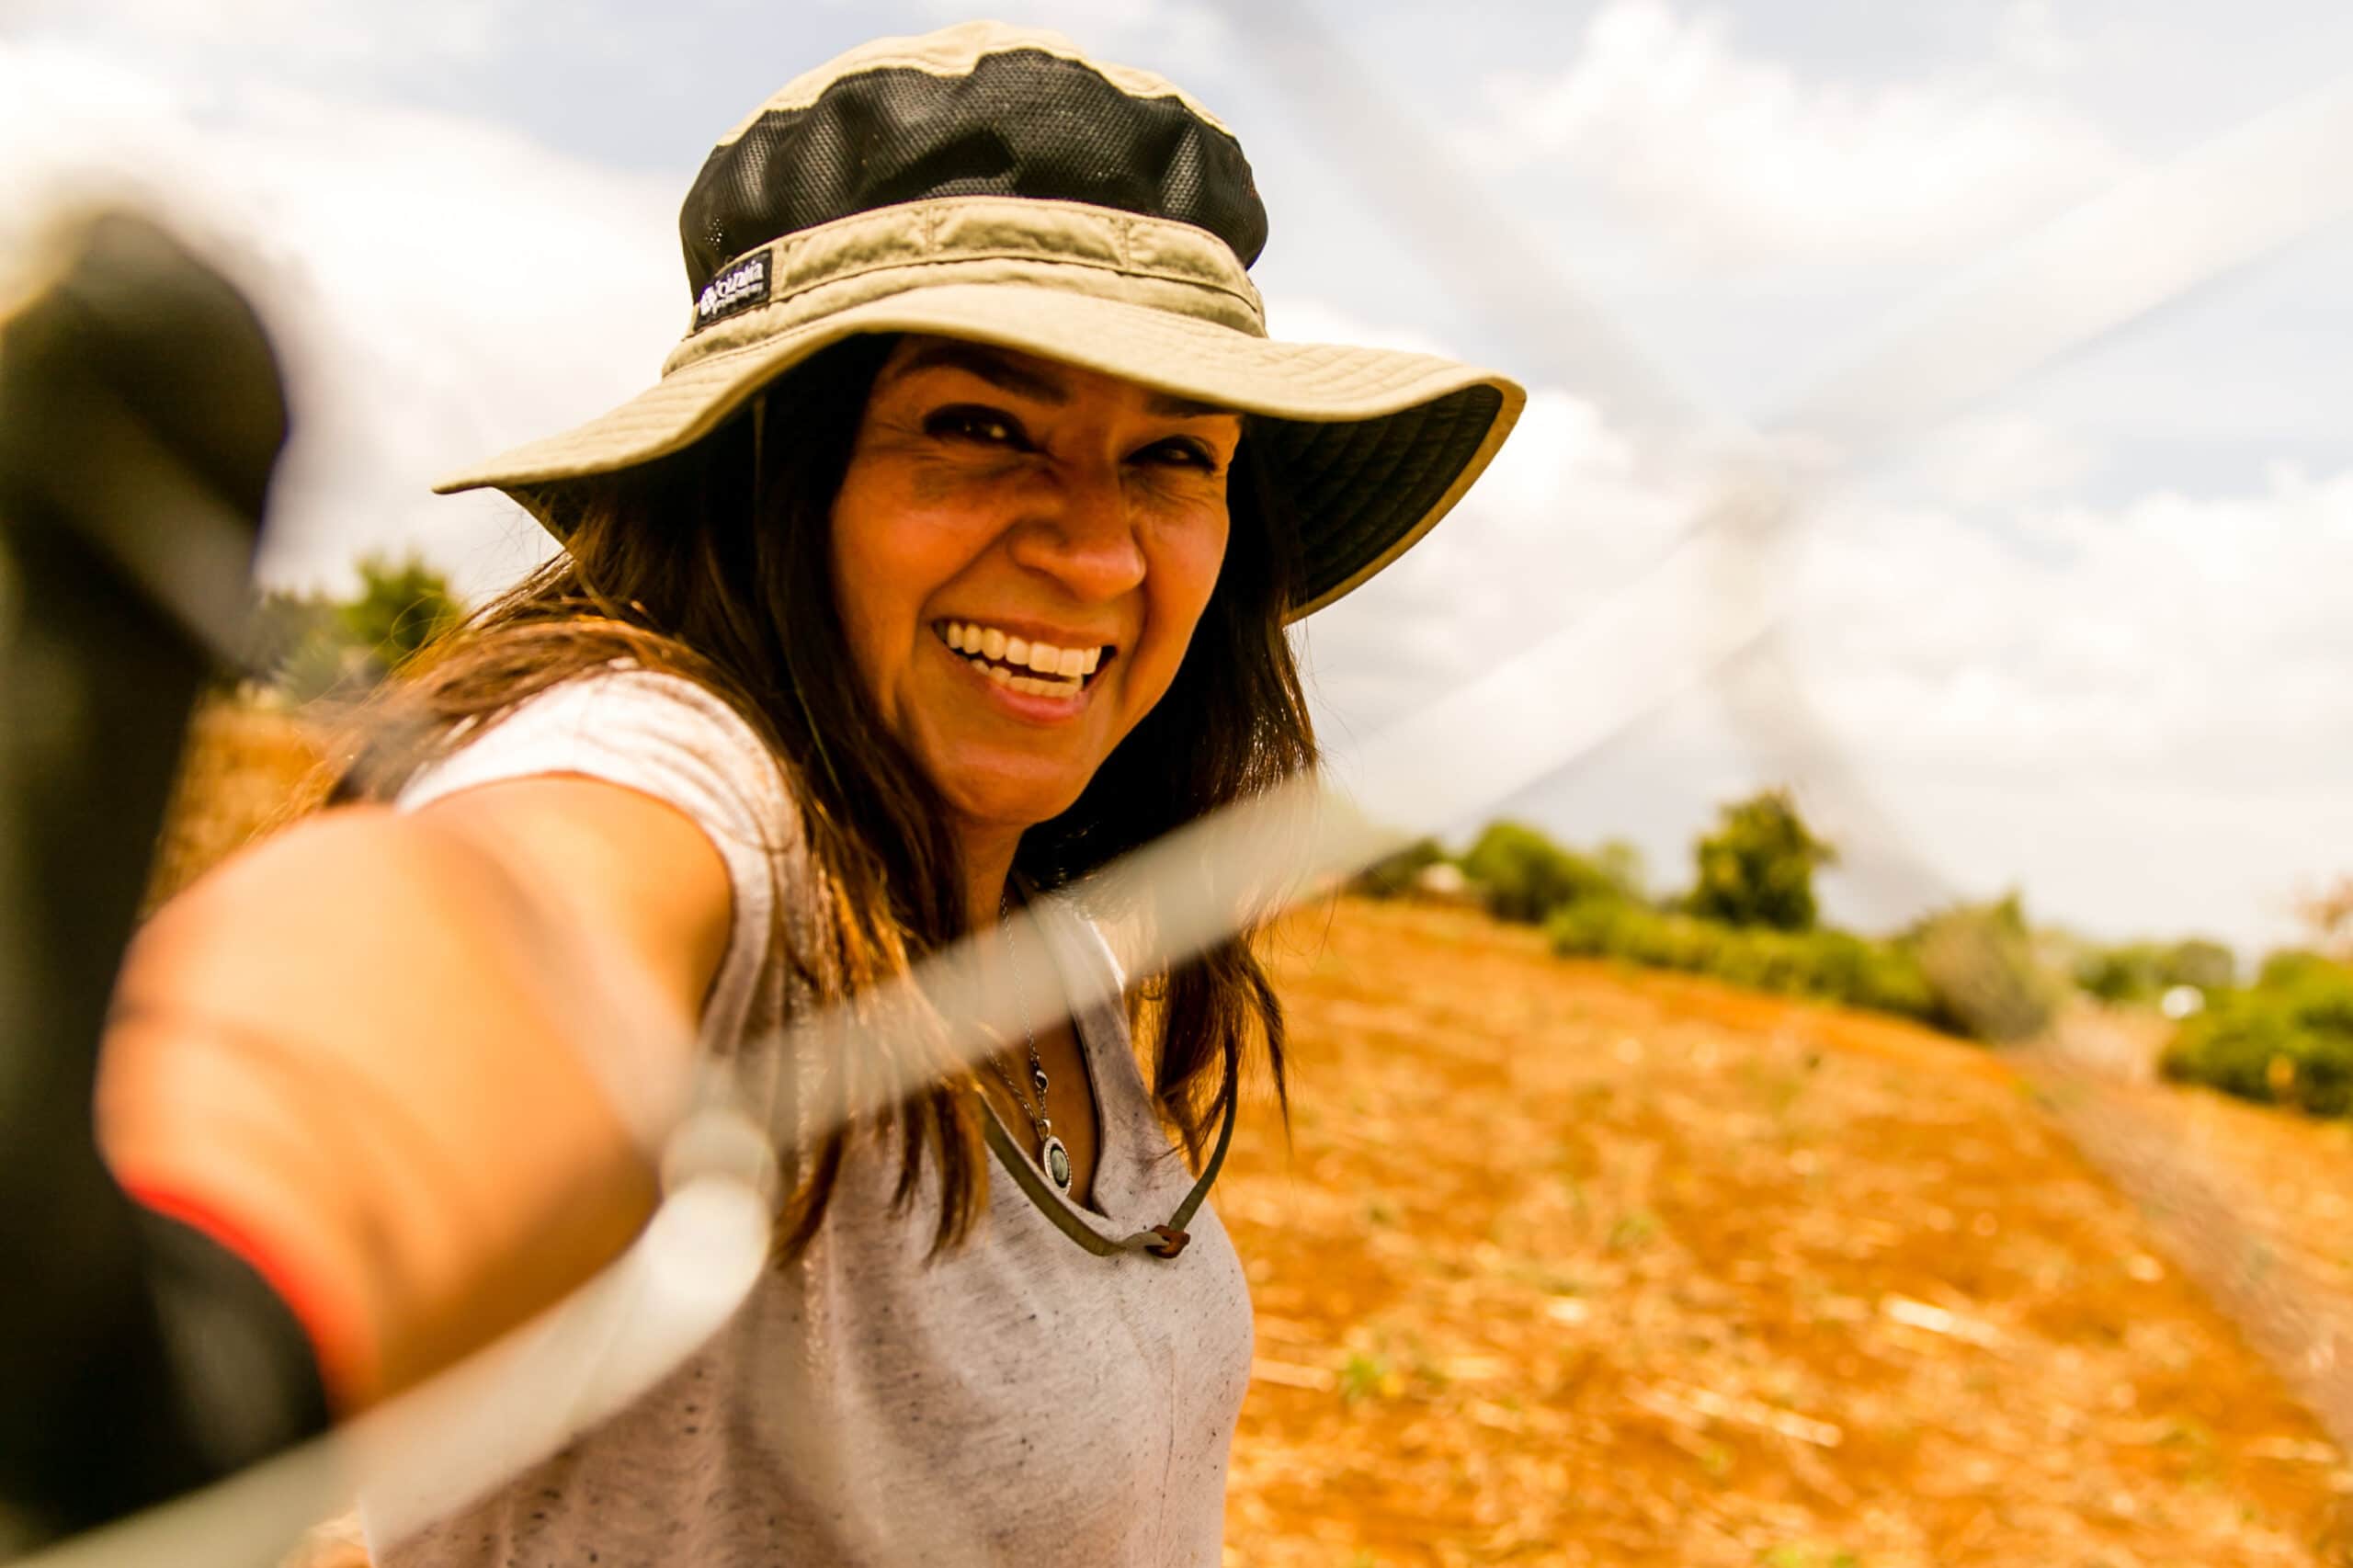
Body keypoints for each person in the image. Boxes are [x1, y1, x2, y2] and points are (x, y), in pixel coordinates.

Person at [94, 20, 1522, 1565]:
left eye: (1174, 454)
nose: (1099, 552)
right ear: (773, 476)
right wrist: (206, 1251)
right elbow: (507, 916)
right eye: (984, 426)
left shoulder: (1045, 933)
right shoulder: (696, 790)